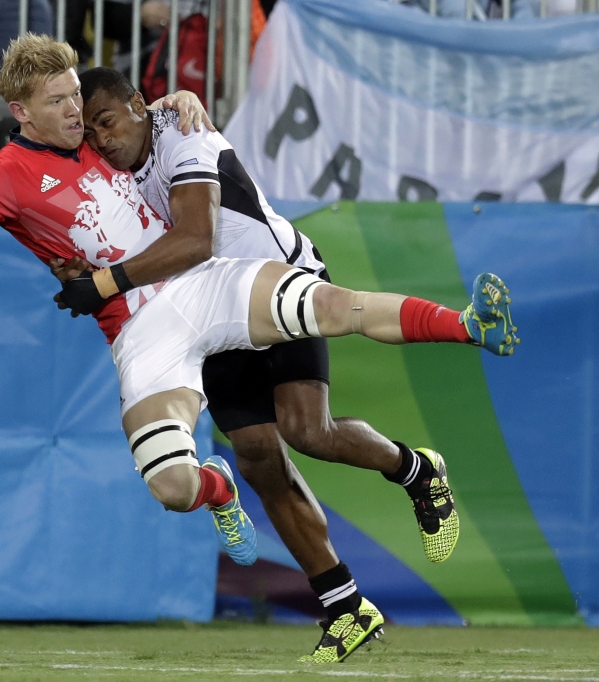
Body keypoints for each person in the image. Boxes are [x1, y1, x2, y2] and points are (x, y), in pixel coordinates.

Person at [0, 34, 518, 663]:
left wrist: (173, 107)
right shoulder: (15, 174)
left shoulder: (160, 123)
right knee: (210, 473)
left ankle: (459, 347)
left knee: (313, 408)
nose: (77, 115)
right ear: (21, 112)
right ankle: (260, 529)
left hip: (215, 277)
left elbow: (192, 232)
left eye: (79, 97)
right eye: (59, 102)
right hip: (145, 329)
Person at [52, 65, 466, 662]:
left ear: (141, 105)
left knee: (307, 431)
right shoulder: (109, 171)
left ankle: (416, 470)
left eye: (108, 121)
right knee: (258, 457)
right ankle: (345, 608)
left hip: (273, 288)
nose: (101, 138)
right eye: (90, 131)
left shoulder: (182, 130)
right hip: (206, 313)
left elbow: (195, 237)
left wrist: (104, 284)